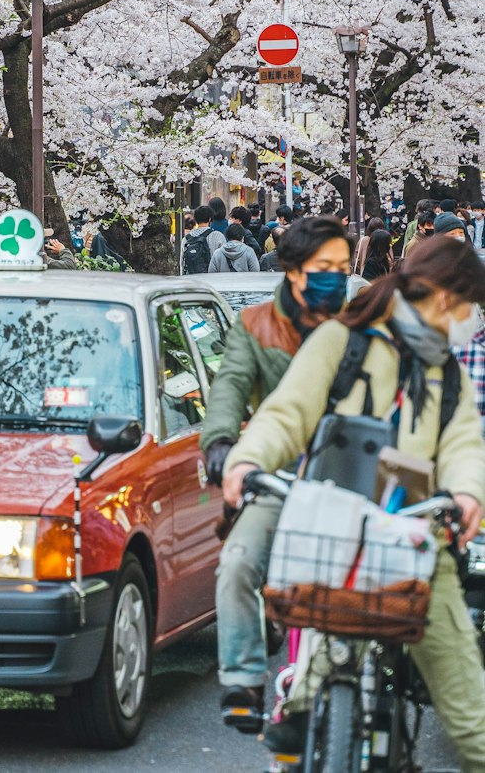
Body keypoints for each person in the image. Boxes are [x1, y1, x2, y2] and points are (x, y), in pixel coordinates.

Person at [221, 236, 485, 768]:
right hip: (333, 525)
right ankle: (296, 716)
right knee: (322, 628)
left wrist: (466, 494)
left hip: (412, 537)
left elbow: (462, 445)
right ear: (442, 298)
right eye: (470, 306)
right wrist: (246, 460)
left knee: (470, 715)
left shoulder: (446, 373)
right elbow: (286, 412)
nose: (472, 320)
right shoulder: (343, 341)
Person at [206, 215, 351, 733]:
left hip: (353, 477)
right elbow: (228, 388)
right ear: (293, 271)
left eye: (343, 267)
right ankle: (243, 679)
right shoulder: (255, 326)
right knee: (238, 563)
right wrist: (221, 444)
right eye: (323, 267)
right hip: (277, 477)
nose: (336, 276)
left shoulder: (362, 326)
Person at [182, 205, 226, 277]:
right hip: (212, 279)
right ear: (209, 219)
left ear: (195, 219)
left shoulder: (186, 238)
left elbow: (182, 262)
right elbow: (223, 261)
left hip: (191, 279)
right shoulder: (218, 236)